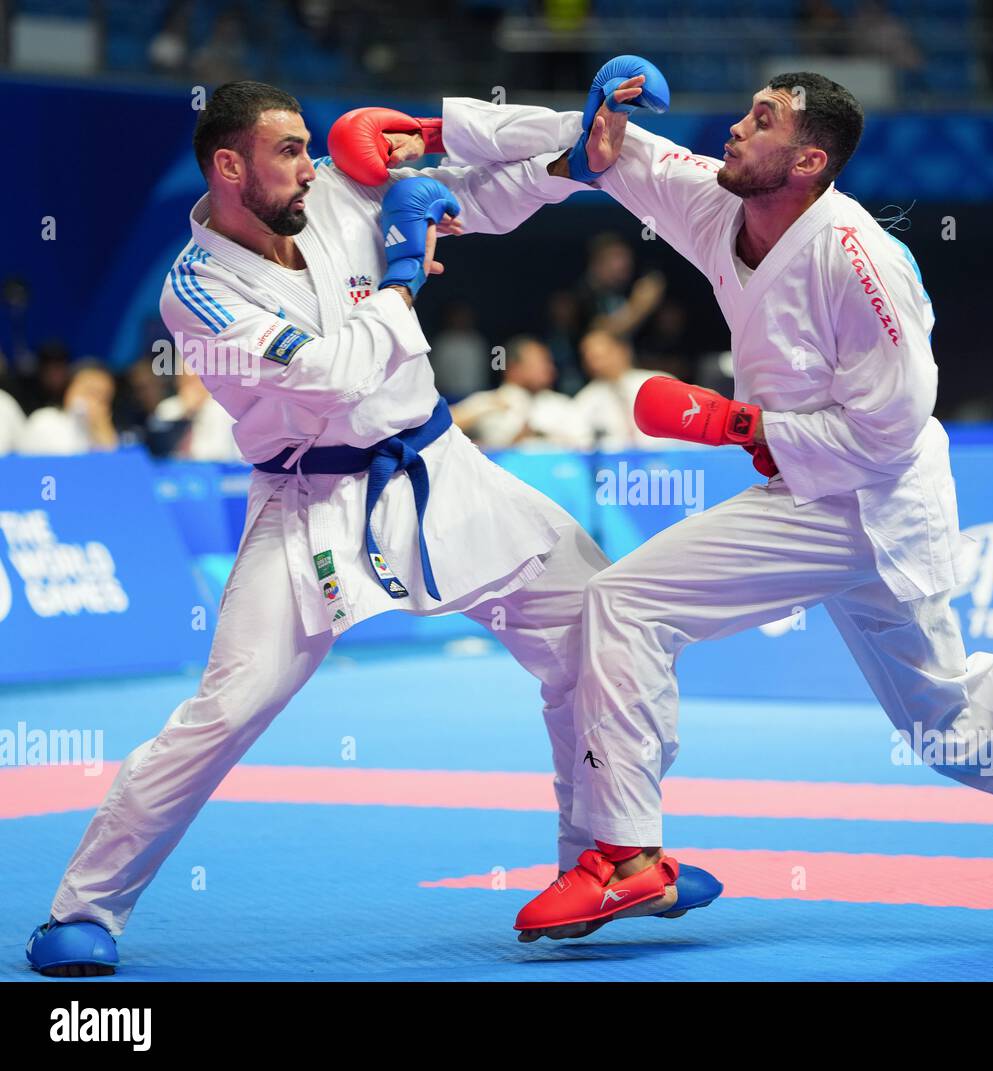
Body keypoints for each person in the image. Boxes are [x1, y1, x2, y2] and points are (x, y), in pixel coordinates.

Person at [432, 64, 993, 939]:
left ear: (809, 160)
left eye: (763, 119)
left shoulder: (858, 261)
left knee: (624, 603)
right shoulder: (721, 205)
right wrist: (435, 135)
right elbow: (614, 150)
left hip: (866, 504)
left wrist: (739, 425)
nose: (737, 128)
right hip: (815, 493)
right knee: (959, 736)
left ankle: (628, 857)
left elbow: (892, 430)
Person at [24, 75, 721, 976]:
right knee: (225, 712)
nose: (310, 165)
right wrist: (397, 280)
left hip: (442, 468)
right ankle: (82, 909)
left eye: (309, 147)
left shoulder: (338, 190)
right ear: (229, 165)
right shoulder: (192, 293)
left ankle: (607, 857)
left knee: (596, 626)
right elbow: (325, 378)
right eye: (287, 151)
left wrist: (568, 149)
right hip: (310, 504)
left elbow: (473, 196)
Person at [453, 335, 590, 450]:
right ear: (513, 368)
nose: (549, 369)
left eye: (548, 362)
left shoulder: (562, 404)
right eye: (539, 363)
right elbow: (441, 425)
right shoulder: (488, 401)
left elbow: (585, 447)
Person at [571, 328, 679, 450]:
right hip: (614, 466)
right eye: (589, 358)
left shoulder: (659, 383)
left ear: (623, 350)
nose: (596, 364)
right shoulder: (586, 399)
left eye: (601, 355)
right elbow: (580, 442)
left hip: (666, 461)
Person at [18, 363, 119, 455]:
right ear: (69, 390)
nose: (95, 401)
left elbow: (111, 467)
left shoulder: (102, 432)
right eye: (90, 391)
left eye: (104, 397)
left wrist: (102, 427)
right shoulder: (44, 420)